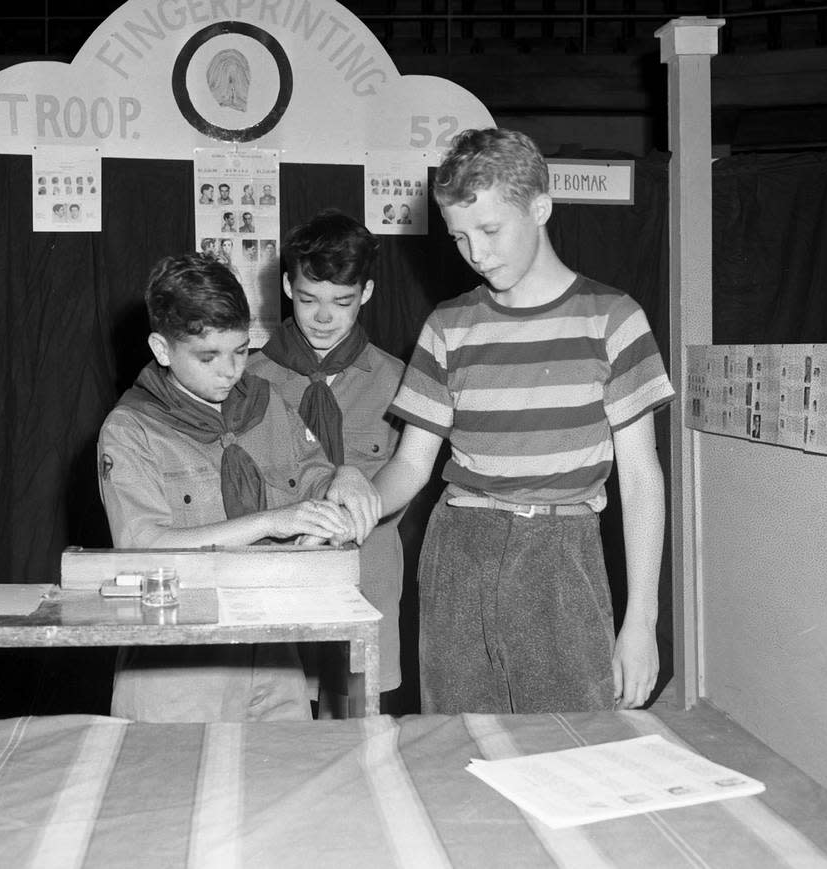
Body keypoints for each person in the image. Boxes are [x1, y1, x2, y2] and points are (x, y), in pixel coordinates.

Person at [329, 128, 674, 715]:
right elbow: (412, 465)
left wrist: (641, 622)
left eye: (490, 231)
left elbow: (641, 480)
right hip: (459, 551)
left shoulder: (613, 320)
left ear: (540, 207)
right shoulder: (448, 325)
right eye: (460, 237)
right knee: (461, 749)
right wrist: (352, 505)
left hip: (564, 556)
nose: (477, 254)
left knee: (573, 748)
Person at [97, 253, 378, 722]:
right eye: (208, 356)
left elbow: (316, 482)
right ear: (162, 349)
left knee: (287, 784)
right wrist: (270, 521)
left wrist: (342, 481)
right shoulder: (131, 431)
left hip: (273, 653)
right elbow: (142, 548)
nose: (230, 371)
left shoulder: (267, 405)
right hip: (178, 664)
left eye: (241, 350)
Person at [249, 208, 406, 714]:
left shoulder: (399, 382)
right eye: (309, 298)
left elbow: (403, 486)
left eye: (341, 301)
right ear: (289, 287)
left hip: (368, 579)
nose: (322, 317)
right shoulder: (248, 381)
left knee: (359, 731)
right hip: (278, 580)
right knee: (279, 729)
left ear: (366, 293)